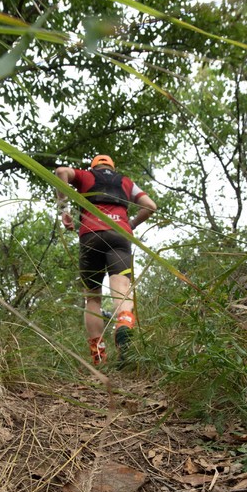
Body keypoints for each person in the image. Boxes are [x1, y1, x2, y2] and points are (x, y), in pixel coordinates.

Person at [55, 155, 157, 365]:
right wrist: (131, 224)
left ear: (94, 166)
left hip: (90, 234)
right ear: (113, 167)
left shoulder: (86, 175)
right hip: (119, 235)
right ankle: (124, 323)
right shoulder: (126, 182)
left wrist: (64, 209)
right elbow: (150, 205)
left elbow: (61, 172)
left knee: (92, 298)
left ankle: (98, 354)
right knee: (122, 287)